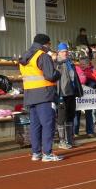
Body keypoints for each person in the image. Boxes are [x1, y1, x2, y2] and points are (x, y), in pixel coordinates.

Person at [18, 33, 62, 161]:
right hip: (44, 94)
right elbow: (50, 75)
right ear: (45, 44)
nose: (50, 46)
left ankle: (36, 153)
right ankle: (47, 153)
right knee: (48, 124)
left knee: (35, 126)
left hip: (30, 95)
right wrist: (58, 72)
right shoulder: (43, 56)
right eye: (49, 44)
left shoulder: (24, 56)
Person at [55, 43, 83, 149]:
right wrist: (58, 93)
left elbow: (74, 78)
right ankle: (62, 141)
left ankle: (70, 140)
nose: (65, 53)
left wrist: (78, 90)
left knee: (70, 116)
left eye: (66, 51)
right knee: (61, 117)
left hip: (71, 93)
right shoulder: (56, 63)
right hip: (62, 94)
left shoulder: (70, 62)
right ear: (58, 52)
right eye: (63, 51)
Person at [74, 55, 96, 137]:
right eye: (80, 64)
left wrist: (85, 75)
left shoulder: (92, 69)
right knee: (77, 112)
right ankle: (75, 132)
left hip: (88, 97)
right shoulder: (76, 69)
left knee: (89, 113)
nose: (81, 66)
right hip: (78, 95)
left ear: (88, 64)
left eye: (83, 64)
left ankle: (90, 131)